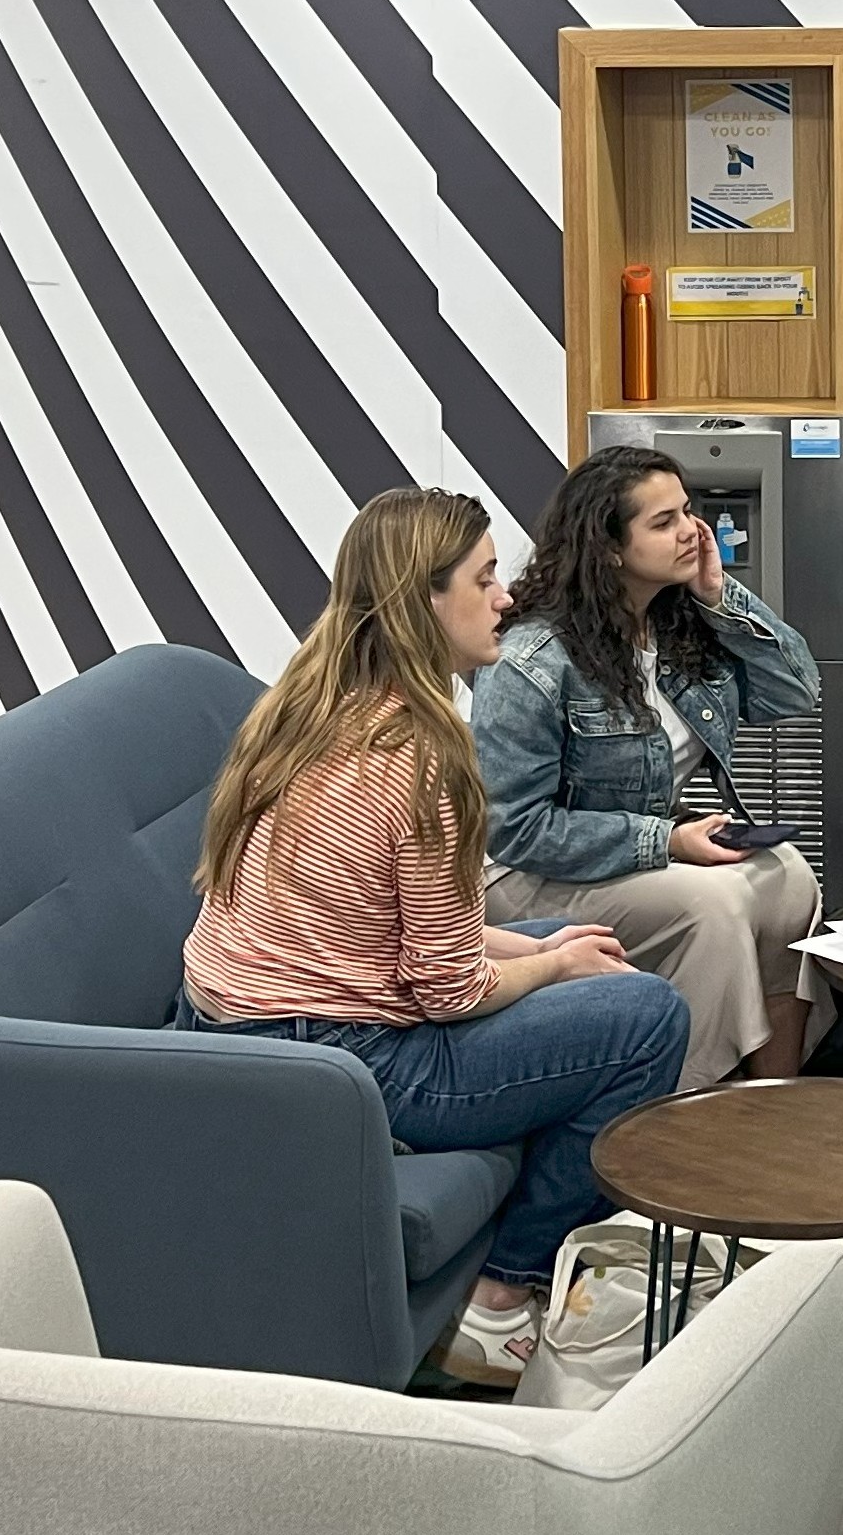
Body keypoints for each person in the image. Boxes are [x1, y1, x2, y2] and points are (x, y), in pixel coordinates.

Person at [177, 486, 689, 1390]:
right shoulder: (420, 759)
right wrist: (552, 968)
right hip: (333, 1057)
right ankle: (502, 1298)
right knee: (647, 1016)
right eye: (484, 580)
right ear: (425, 600)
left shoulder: (308, 704)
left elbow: (387, 925)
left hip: (233, 1016)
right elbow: (450, 993)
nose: (505, 597)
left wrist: (541, 951)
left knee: (563, 939)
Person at [473, 446, 825, 1086]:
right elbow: (515, 830)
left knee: (789, 878)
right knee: (711, 905)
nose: (691, 530)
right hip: (526, 874)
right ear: (609, 547)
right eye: (663, 522)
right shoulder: (532, 659)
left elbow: (795, 692)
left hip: (636, 850)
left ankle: (777, 1096)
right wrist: (667, 842)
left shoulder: (683, 623)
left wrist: (719, 595)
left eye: (688, 512)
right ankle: (676, 1106)